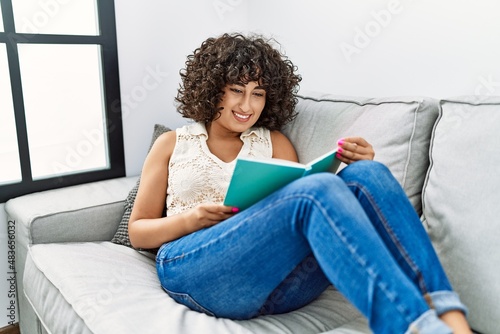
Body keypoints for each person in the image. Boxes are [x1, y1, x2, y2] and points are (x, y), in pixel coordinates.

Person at [128, 33, 471, 333]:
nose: (247, 105)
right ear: (211, 89)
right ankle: (410, 326)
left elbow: (300, 215)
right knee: (316, 191)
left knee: (368, 175)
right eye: (236, 90)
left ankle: (452, 319)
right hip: (194, 269)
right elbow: (138, 231)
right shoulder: (173, 142)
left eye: (258, 93)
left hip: (277, 283)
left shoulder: (274, 142)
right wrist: (192, 220)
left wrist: (356, 171)